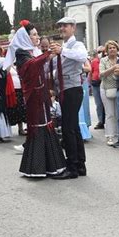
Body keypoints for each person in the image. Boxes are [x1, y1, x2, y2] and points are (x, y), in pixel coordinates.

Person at [5, 20, 66, 177]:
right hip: (33, 96)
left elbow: (42, 67)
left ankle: (50, 166)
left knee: (46, 123)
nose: (37, 37)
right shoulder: (22, 53)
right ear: (25, 37)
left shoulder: (33, 51)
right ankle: (36, 167)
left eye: (37, 34)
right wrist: (47, 55)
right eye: (33, 35)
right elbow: (31, 67)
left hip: (42, 93)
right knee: (38, 125)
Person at [49, 17, 88, 180]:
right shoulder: (64, 47)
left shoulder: (76, 45)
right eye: (61, 26)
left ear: (73, 27)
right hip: (65, 89)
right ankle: (79, 164)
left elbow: (82, 56)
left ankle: (72, 166)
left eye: (65, 26)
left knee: (68, 128)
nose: (62, 28)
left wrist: (61, 51)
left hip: (72, 89)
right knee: (73, 128)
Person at [99, 40, 119, 146]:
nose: (112, 49)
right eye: (110, 48)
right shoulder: (103, 60)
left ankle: (117, 133)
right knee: (110, 113)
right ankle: (110, 136)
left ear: (117, 49)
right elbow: (101, 74)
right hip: (106, 88)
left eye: (114, 47)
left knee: (118, 112)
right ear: (106, 51)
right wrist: (113, 68)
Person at [90, 49, 105, 129]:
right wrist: (90, 82)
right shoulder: (94, 61)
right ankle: (101, 121)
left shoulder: (105, 61)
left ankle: (105, 121)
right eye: (98, 52)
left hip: (104, 83)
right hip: (95, 84)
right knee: (99, 104)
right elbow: (91, 72)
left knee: (105, 104)